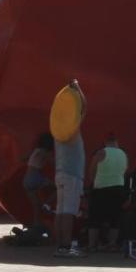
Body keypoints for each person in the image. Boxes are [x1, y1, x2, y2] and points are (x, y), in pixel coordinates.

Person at [53, 94, 87, 260]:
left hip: (61, 174)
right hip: (71, 176)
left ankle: (60, 245)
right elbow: (82, 111)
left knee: (60, 211)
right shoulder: (71, 132)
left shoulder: (57, 131)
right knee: (68, 212)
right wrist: (78, 92)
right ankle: (65, 247)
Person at [85, 133, 128, 252]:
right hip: (118, 187)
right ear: (117, 141)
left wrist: (93, 182)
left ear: (105, 141)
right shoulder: (123, 154)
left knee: (95, 217)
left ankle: (92, 245)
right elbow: (124, 171)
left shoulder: (101, 152)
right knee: (115, 218)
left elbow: (92, 169)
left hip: (101, 188)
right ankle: (112, 244)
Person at [22, 132, 55, 237]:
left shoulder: (36, 151)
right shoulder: (44, 152)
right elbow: (53, 162)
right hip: (35, 177)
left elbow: (25, 159)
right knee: (60, 186)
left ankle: (36, 225)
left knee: (35, 205)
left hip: (27, 179)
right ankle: (47, 204)